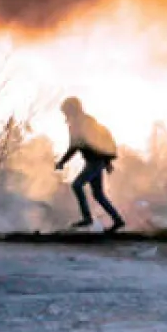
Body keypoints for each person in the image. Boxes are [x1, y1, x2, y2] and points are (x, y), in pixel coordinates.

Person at [56, 97, 126, 233]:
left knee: (77, 185)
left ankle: (87, 218)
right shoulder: (84, 122)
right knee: (98, 194)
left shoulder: (83, 123)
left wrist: (62, 162)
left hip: (95, 161)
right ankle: (118, 220)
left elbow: (76, 146)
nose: (65, 115)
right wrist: (107, 162)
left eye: (66, 111)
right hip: (94, 161)